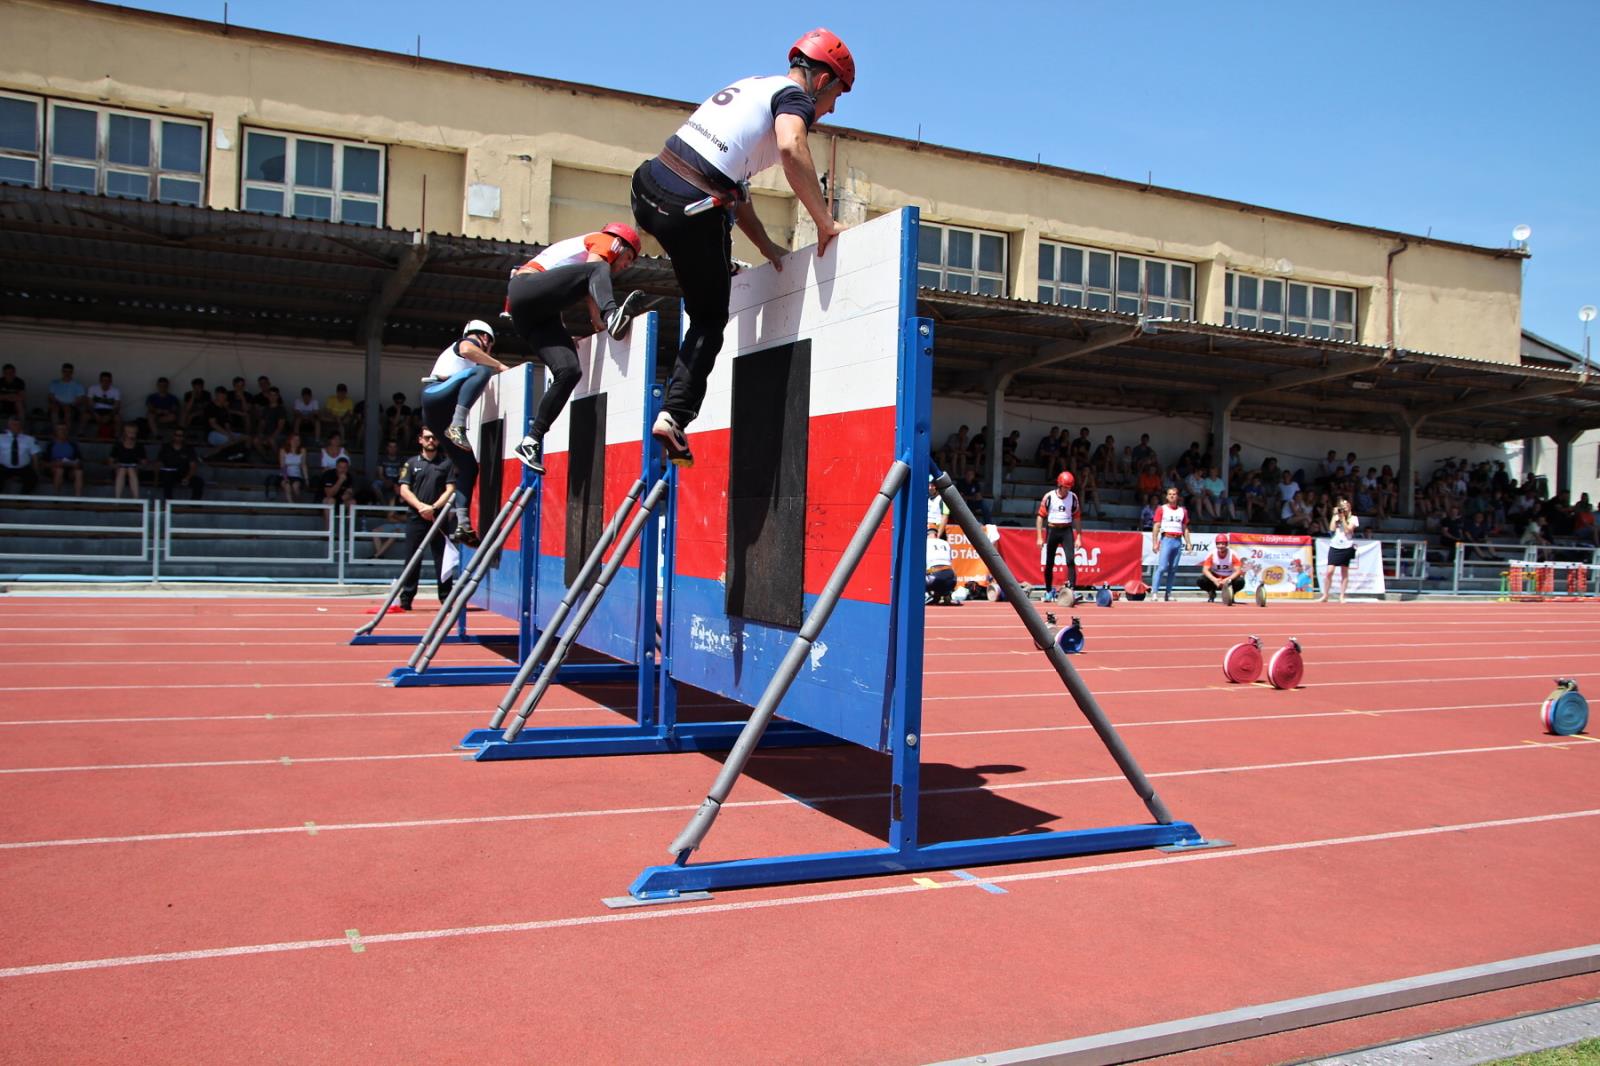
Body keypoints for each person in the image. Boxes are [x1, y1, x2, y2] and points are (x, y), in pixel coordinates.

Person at [632, 28, 854, 467]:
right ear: (823, 79)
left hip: (648, 188)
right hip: (689, 204)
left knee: (716, 230)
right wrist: (825, 223)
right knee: (710, 316)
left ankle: (720, 267)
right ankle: (675, 415)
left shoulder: (754, 87)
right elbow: (793, 147)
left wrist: (770, 248)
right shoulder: (795, 99)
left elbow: (737, 195)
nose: (828, 112)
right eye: (836, 97)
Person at [504, 224, 644, 473]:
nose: (627, 266)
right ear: (621, 245)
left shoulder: (587, 263)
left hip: (533, 315)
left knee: (569, 370)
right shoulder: (606, 240)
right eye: (629, 258)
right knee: (600, 269)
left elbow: (584, 283)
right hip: (526, 288)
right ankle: (613, 314)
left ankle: (531, 441)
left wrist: (597, 326)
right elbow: (593, 275)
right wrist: (607, 318)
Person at [420, 319, 513, 546]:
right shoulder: (470, 342)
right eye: (489, 344)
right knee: (484, 369)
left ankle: (463, 523)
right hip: (436, 394)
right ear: (485, 337)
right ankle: (458, 424)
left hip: (438, 414)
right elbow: (467, 349)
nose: (488, 349)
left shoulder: (468, 362)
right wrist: (499, 365)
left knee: (469, 467)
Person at [396, 427, 457, 611]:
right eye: (428, 438)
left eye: (434, 438)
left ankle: (446, 599)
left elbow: (450, 489)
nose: (431, 441)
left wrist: (434, 508)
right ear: (420, 440)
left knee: (442, 558)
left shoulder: (447, 464)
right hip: (416, 516)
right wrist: (421, 507)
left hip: (438, 518)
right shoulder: (411, 463)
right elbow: (404, 490)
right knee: (412, 558)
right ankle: (406, 598)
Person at [1036, 470, 1079, 603]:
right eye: (1065, 487)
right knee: (1049, 563)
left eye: (1069, 487)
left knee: (1071, 560)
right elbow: (1040, 517)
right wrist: (1039, 536)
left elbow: (1077, 517)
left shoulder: (1073, 497)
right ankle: (1049, 590)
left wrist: (1079, 537)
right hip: (1053, 530)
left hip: (1066, 530)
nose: (1067, 490)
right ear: (1059, 485)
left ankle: (1071, 590)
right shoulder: (1049, 497)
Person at [1150, 485, 1191, 602]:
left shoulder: (1183, 511)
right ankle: (1155, 592)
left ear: (1177, 496)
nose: (1172, 496)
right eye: (1170, 494)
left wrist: (1188, 542)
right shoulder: (1161, 509)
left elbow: (1184, 527)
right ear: (1167, 497)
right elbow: (1156, 526)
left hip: (1177, 540)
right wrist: (1154, 543)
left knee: (1173, 568)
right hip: (1166, 539)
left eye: (1174, 494)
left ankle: (1168, 593)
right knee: (1162, 567)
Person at [1321, 498, 1360, 603]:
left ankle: (1342, 596)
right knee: (1329, 571)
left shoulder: (1353, 518)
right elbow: (1331, 529)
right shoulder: (1337, 516)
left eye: (1346, 505)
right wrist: (1335, 516)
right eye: (1342, 505)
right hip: (1335, 545)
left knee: (1344, 572)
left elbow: (1348, 530)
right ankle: (1325, 595)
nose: (1344, 507)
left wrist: (1343, 518)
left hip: (1347, 546)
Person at [1198, 532, 1246, 603]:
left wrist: (1227, 580)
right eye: (1218, 544)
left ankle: (1231, 594)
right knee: (1201, 580)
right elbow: (1205, 570)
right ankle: (1211, 593)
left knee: (1240, 581)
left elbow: (1238, 571)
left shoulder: (1233, 554)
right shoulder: (1212, 554)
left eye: (1223, 544)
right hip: (1216, 578)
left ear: (1226, 545)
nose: (1220, 546)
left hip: (1229, 578)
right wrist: (1214, 580)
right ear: (1216, 545)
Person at [157, 428, 203, 500]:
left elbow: (193, 466)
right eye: (177, 435)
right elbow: (159, 462)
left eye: (181, 435)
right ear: (173, 436)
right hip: (168, 473)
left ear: (184, 437)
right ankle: (169, 502)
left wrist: (187, 478)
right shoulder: (165, 447)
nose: (178, 437)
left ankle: (194, 504)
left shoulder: (189, 449)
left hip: (183, 473)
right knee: (167, 478)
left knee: (199, 482)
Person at [0, 416, 41, 493]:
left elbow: (35, 456)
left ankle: (22, 502)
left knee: (33, 479)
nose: (15, 426)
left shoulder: (29, 439)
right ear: (9, 425)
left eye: (17, 424)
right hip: (4, 467)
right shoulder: (1, 437)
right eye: (13, 424)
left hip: (23, 468)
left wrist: (37, 470)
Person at [109, 422, 146, 499]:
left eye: (133, 432)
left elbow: (144, 462)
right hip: (120, 468)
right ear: (124, 433)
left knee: (131, 470)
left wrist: (139, 465)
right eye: (129, 432)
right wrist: (115, 465)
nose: (131, 434)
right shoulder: (118, 445)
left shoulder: (139, 446)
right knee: (122, 470)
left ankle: (136, 498)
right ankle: (117, 499)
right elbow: (111, 460)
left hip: (134, 468)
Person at [45, 424, 84, 495]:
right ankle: (56, 497)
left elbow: (79, 461)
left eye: (64, 430)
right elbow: (44, 463)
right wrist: (56, 463)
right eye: (60, 429)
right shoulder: (51, 445)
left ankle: (78, 499)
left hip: (69, 469)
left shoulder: (73, 445)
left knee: (79, 472)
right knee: (59, 470)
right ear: (56, 431)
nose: (62, 432)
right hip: (55, 469)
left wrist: (75, 464)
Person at [48, 363, 87, 431]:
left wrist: (70, 405)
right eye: (65, 371)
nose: (67, 373)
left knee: (67, 410)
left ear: (72, 372)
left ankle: (66, 434)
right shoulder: (54, 383)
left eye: (69, 372)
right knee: (55, 409)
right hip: (57, 405)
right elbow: (51, 396)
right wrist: (60, 404)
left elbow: (81, 399)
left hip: (71, 407)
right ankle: (56, 432)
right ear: (62, 372)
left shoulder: (78, 385)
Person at [925, 528, 958, 605]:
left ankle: (926, 595)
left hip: (934, 575)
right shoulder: (945, 543)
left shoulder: (925, 542)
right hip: (952, 577)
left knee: (919, 573)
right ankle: (945, 593)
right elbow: (950, 560)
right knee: (943, 571)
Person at [278, 433, 308, 503]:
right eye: (294, 440)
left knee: (295, 486)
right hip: (285, 474)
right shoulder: (283, 450)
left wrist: (306, 479)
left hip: (297, 475)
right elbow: (282, 465)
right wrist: (285, 478)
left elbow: (303, 465)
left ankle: (299, 502)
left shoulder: (302, 450)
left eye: (298, 440)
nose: (296, 442)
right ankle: (291, 503)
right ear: (289, 440)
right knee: (287, 485)